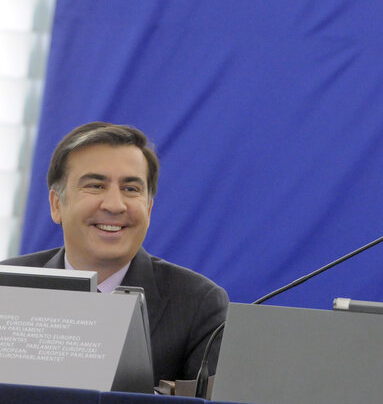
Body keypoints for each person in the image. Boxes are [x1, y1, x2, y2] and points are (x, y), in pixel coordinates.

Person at [2, 122, 229, 383]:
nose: (114, 205)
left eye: (130, 189)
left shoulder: (198, 304)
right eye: (96, 185)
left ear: (149, 208)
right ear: (56, 205)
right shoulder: (7, 287)